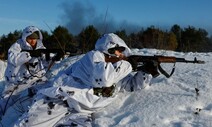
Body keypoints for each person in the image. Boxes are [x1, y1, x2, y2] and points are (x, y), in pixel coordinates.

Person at [14, 33, 153, 127]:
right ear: (109, 48)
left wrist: (148, 71)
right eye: (119, 50)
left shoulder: (117, 69)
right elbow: (103, 78)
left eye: (123, 52)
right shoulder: (94, 57)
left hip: (82, 112)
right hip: (59, 100)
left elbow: (132, 85)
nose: (122, 55)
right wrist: (128, 65)